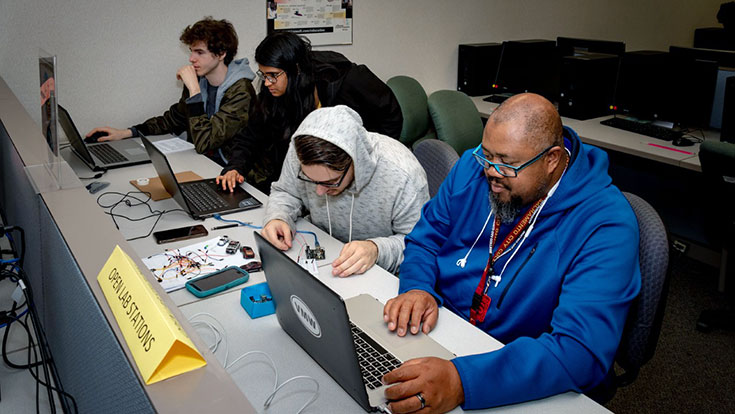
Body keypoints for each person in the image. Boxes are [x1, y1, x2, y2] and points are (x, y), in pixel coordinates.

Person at [381, 93, 642, 412]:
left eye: (507, 163)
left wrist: (463, 382)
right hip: (445, 334)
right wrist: (417, 287)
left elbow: (579, 352)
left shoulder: (605, 223)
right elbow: (425, 239)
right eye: (487, 155)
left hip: (518, 372)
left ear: (552, 160)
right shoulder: (471, 167)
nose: (491, 172)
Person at [216, 31, 402, 194]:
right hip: (306, 177)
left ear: (295, 69)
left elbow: (390, 112)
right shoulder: (272, 91)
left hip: (346, 175)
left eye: (273, 75)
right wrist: (235, 167)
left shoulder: (345, 79)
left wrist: (368, 161)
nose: (267, 83)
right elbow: (250, 135)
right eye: (263, 75)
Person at [262, 105, 426, 277]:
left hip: (379, 275)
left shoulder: (403, 176)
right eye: (310, 179)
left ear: (355, 162)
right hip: (324, 259)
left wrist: (376, 250)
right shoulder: (301, 152)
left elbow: (421, 245)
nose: (319, 191)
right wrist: (277, 216)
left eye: (330, 182)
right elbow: (286, 191)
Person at [87, 17, 256, 166]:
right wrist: (127, 132)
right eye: (191, 52)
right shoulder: (199, 81)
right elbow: (175, 119)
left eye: (200, 52)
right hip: (200, 162)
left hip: (230, 170)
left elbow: (206, 142)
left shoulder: (241, 91)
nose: (191, 59)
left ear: (221, 54)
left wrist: (194, 92)